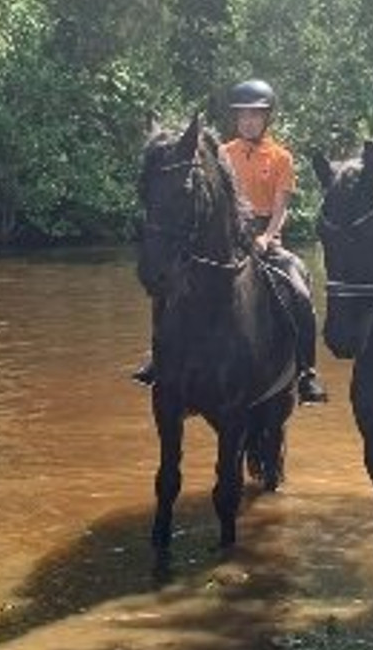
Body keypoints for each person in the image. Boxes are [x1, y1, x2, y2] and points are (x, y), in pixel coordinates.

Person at [133, 77, 328, 405]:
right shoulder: (221, 153)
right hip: (227, 237)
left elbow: (281, 206)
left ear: (267, 118)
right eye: (242, 115)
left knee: (297, 285)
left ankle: (306, 371)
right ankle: (159, 354)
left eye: (255, 115)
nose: (248, 121)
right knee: (170, 283)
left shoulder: (281, 157)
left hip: (266, 237)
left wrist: (267, 237)